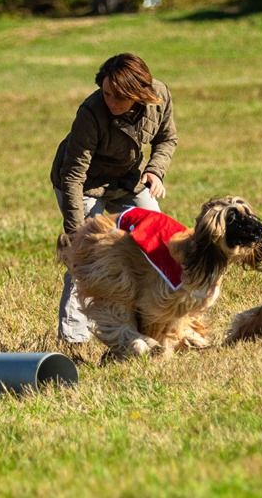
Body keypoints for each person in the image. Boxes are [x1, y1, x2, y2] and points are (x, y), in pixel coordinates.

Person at [50, 53, 178, 345]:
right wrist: (77, 235)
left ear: (138, 94)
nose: (109, 100)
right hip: (83, 185)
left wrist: (155, 172)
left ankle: (157, 325)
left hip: (126, 180)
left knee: (159, 240)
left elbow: (167, 139)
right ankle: (73, 339)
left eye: (118, 96)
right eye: (106, 92)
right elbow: (73, 177)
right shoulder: (91, 112)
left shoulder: (160, 95)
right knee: (87, 259)